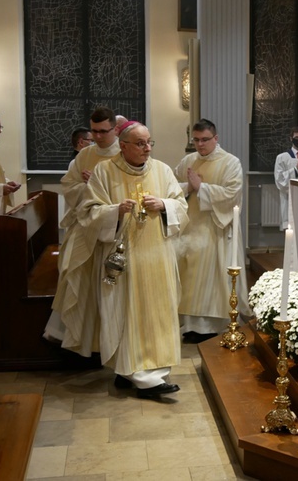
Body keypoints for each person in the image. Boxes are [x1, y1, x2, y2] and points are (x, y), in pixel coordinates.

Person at [66, 122, 189, 398]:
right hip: (124, 260)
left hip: (158, 258)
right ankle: (141, 377)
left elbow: (181, 205)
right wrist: (115, 212)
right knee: (126, 313)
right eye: (140, 143)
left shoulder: (162, 170)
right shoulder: (104, 172)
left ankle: (137, 373)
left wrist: (165, 205)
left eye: (149, 142)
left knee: (157, 314)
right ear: (123, 146)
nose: (147, 148)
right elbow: (88, 213)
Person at [45, 106, 121, 343]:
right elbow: (69, 185)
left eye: (103, 132)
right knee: (73, 273)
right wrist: (87, 186)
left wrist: (96, 184)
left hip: (111, 230)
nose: (97, 137)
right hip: (85, 227)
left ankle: (103, 339)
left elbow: (126, 193)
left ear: (115, 129)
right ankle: (76, 336)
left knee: (105, 287)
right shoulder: (85, 155)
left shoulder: (124, 154)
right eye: (94, 131)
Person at [174, 119, 247, 343]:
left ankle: (212, 325)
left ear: (216, 138)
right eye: (196, 140)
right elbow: (171, 187)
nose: (200, 144)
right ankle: (190, 325)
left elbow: (232, 194)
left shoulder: (230, 162)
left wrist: (201, 187)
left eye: (205, 139)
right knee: (189, 275)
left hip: (217, 227)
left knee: (212, 277)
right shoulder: (188, 160)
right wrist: (189, 186)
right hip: (191, 226)